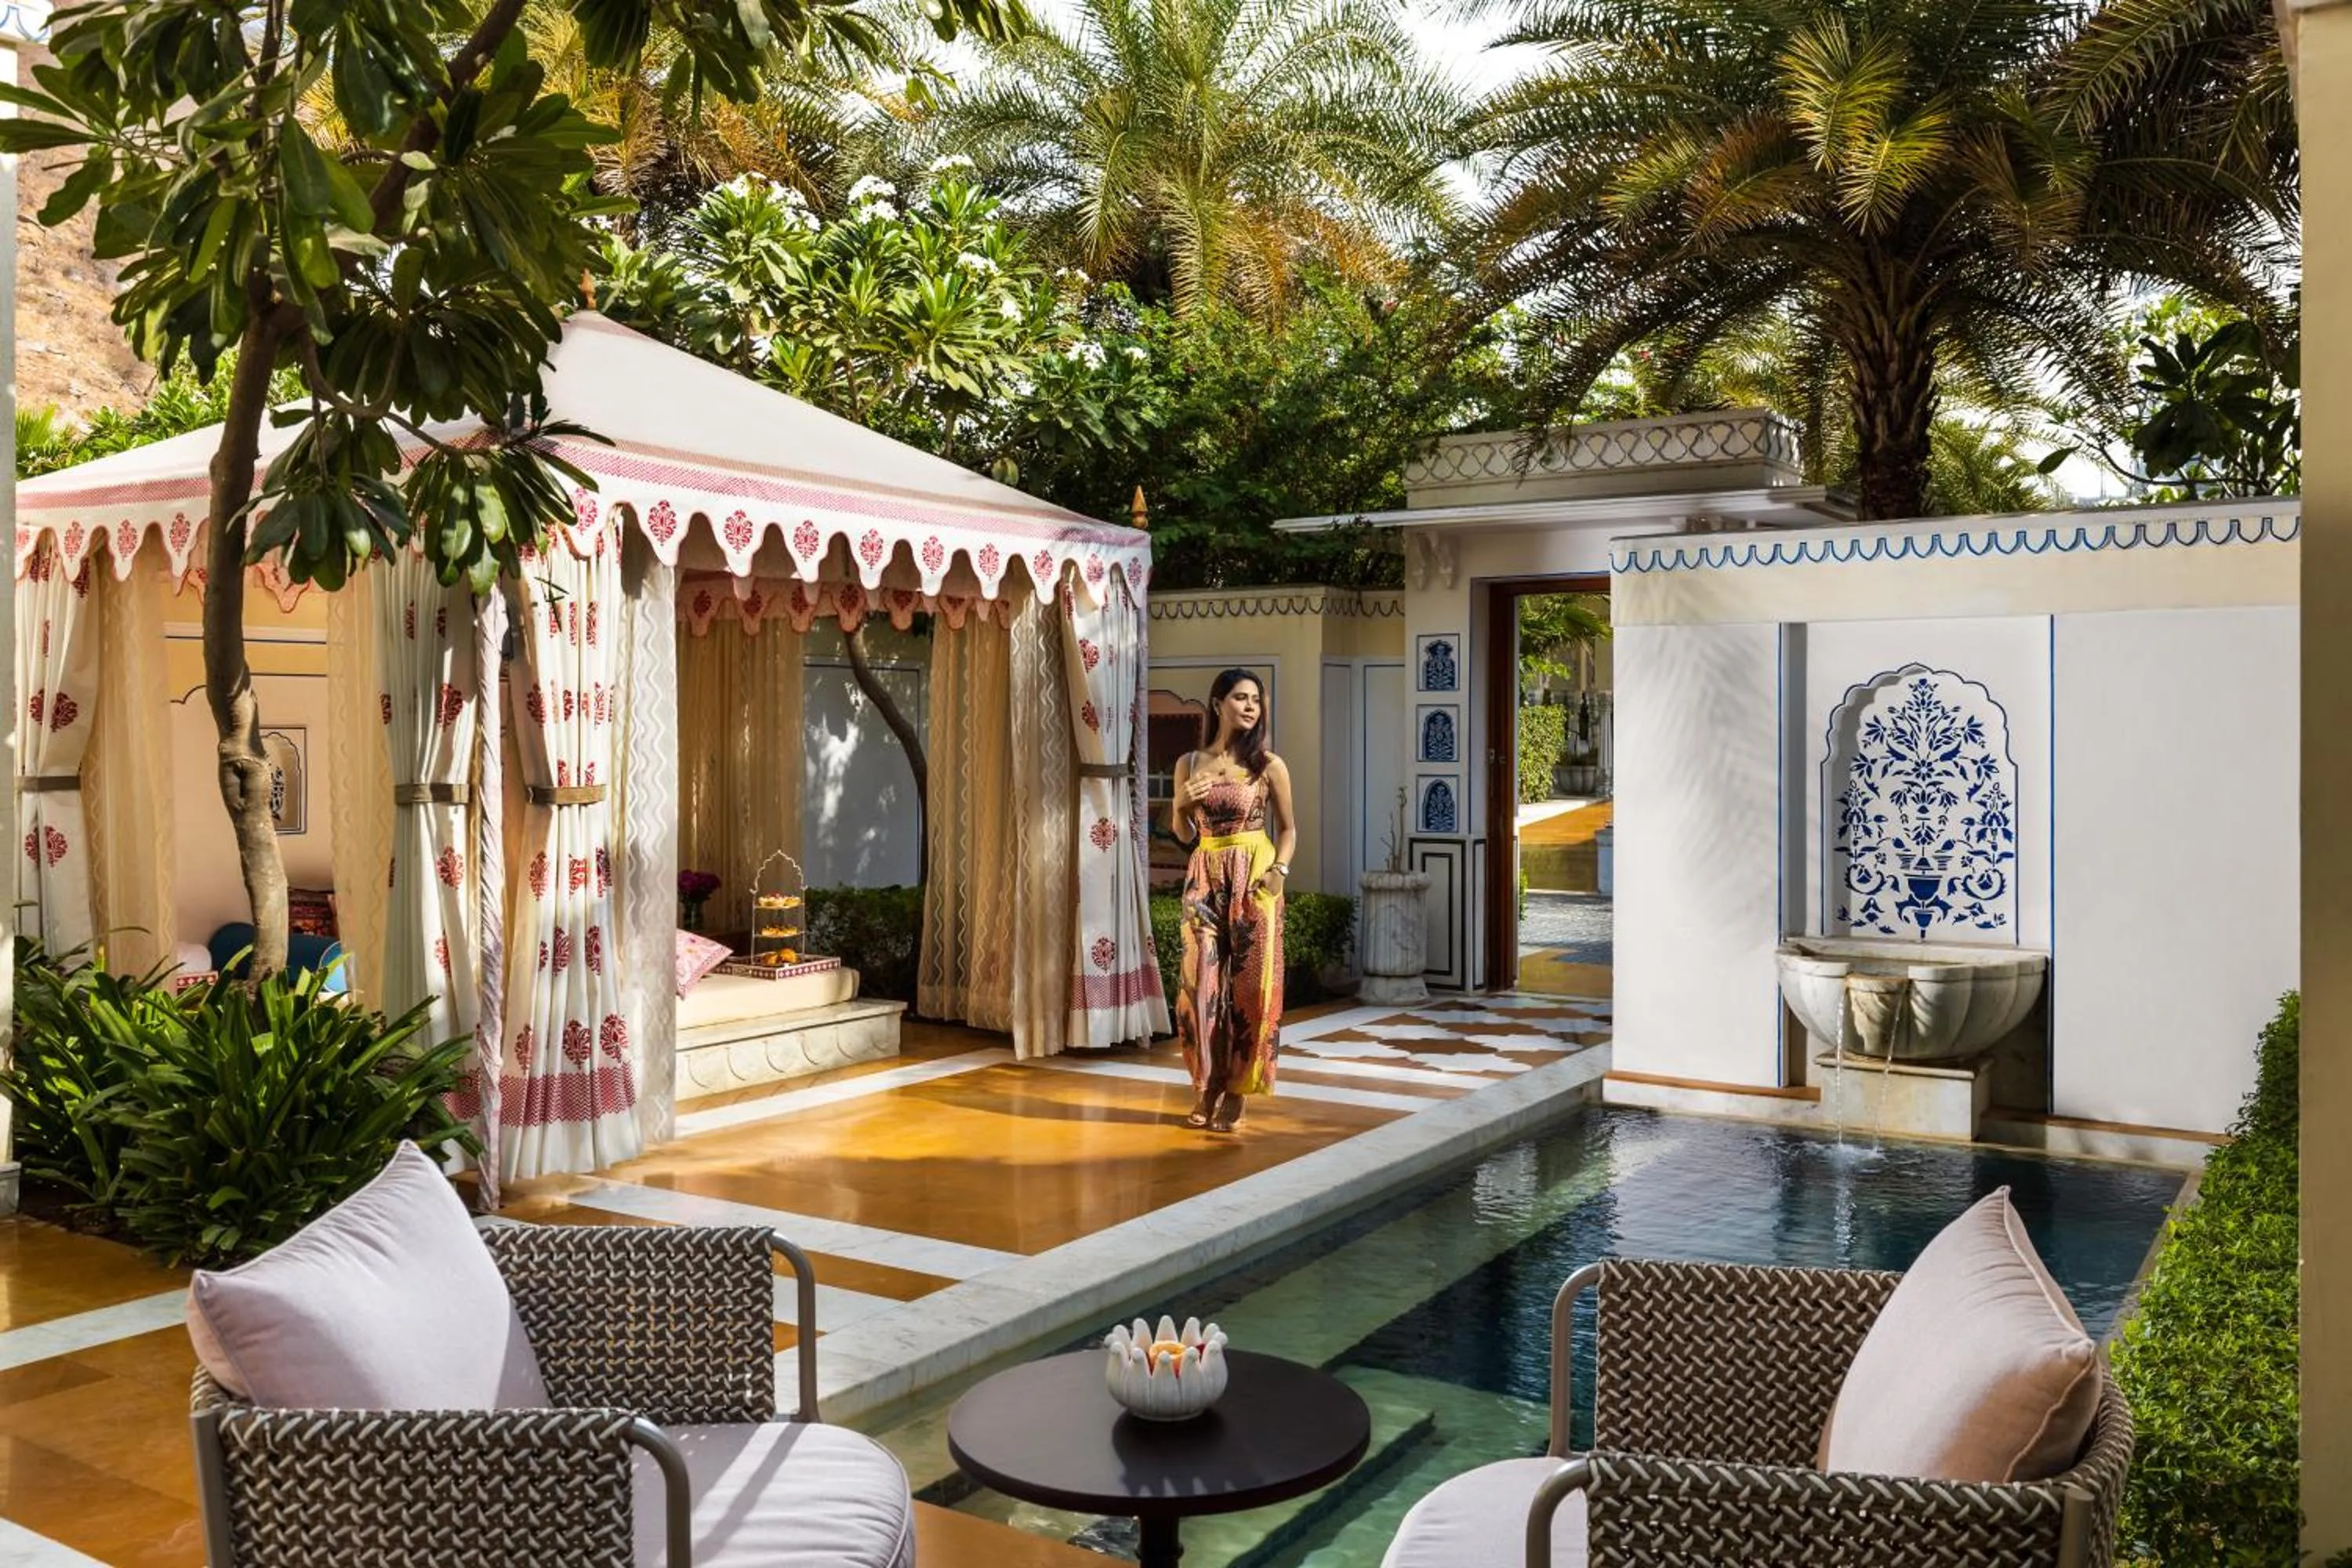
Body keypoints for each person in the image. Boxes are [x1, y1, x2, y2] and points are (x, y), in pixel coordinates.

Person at [1166, 670, 1298, 1133]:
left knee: (1249, 991)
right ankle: (1207, 1081)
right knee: (1199, 986)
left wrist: (1279, 873)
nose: (1250, 707)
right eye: (1240, 698)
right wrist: (1180, 802)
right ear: (1218, 702)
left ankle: (1238, 1091)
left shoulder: (1268, 765)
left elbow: (1288, 829)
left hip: (1254, 880)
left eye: (1256, 701)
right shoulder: (1189, 761)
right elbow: (1183, 834)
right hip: (1205, 874)